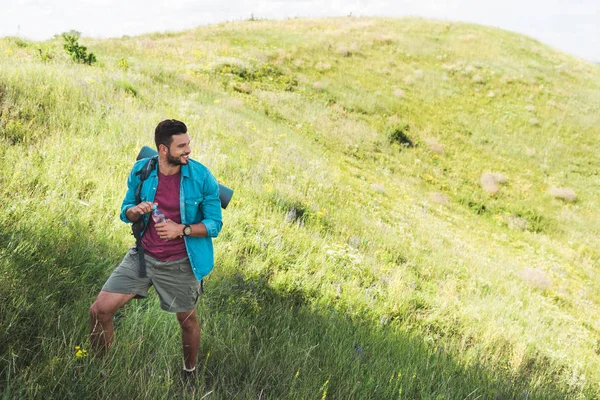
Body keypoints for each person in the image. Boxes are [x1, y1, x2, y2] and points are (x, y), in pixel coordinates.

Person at [89, 119, 223, 378]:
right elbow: (125, 209)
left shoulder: (201, 176)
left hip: (182, 261)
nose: (188, 150)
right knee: (99, 310)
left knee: (188, 322)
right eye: (181, 146)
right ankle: (99, 371)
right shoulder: (142, 171)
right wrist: (134, 211)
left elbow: (214, 224)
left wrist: (180, 229)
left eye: (188, 144)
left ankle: (189, 373)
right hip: (143, 256)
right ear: (163, 149)